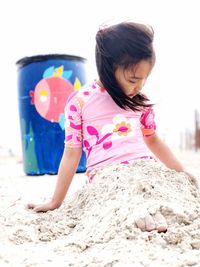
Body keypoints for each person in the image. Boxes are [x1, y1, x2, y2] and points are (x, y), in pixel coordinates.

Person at [27, 21, 198, 233]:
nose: (139, 87)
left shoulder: (140, 101)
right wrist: (55, 201)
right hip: (106, 177)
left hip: (145, 170)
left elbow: (153, 139)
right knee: (128, 201)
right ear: (109, 67)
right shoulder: (80, 102)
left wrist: (182, 172)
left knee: (157, 195)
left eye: (145, 80)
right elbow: (71, 152)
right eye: (133, 79)